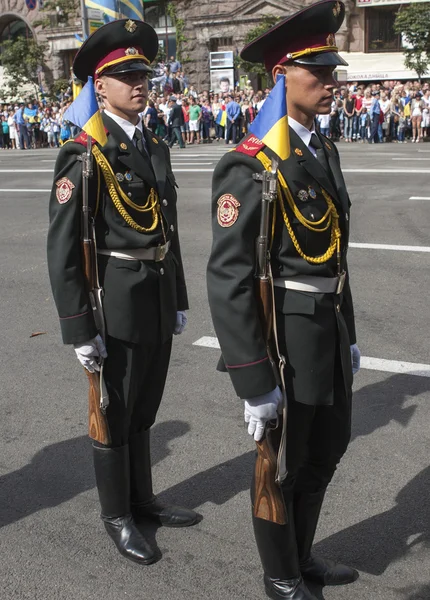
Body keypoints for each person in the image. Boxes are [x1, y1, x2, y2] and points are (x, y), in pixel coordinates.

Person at [207, 2, 361, 599]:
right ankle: (280, 577)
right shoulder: (250, 166)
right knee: (282, 460)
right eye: (317, 72)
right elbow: (231, 276)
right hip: (286, 336)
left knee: (326, 449)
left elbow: (336, 257)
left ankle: (302, 556)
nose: (331, 83)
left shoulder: (321, 149)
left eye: (333, 72)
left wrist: (348, 333)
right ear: (281, 77)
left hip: (326, 325)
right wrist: (252, 380)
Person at [47, 18, 200, 567]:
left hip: (154, 295)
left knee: (144, 406)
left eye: (143, 73)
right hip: (115, 301)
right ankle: (117, 514)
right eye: (124, 75)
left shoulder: (151, 142)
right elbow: (64, 248)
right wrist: (79, 328)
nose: (139, 82)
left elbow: (168, 229)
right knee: (114, 409)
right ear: (100, 85)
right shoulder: (85, 153)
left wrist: (178, 296)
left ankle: (143, 500)